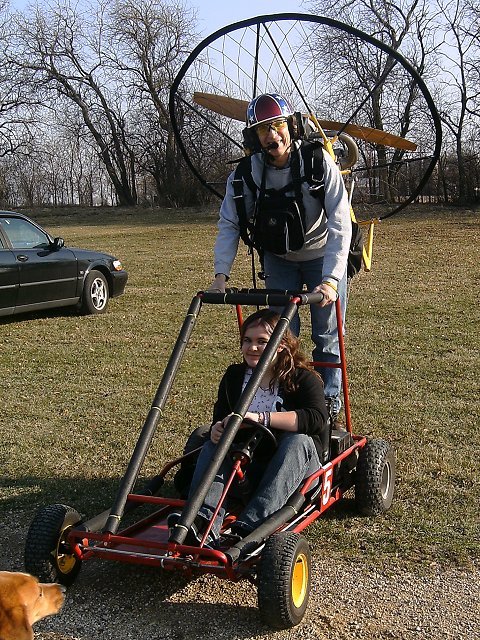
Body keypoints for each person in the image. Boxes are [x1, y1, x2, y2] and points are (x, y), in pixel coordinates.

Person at [209, 93, 352, 424]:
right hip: (278, 258)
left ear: (292, 126)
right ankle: (284, 396)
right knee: (280, 335)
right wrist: (221, 275)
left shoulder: (318, 163)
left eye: (277, 126)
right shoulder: (246, 175)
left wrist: (330, 280)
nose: (272, 136)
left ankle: (326, 404)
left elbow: (341, 222)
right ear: (254, 138)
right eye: (263, 130)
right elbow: (229, 223)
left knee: (326, 334)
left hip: (321, 255)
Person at [169, 308, 329, 546]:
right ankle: (202, 521)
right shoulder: (235, 375)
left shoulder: (303, 378)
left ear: (282, 346)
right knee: (216, 441)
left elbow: (316, 419)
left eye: (262, 342)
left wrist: (261, 418)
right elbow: (221, 414)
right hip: (246, 463)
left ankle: (249, 527)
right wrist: (217, 428)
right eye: (248, 341)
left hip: (293, 467)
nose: (252, 347)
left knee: (298, 441)